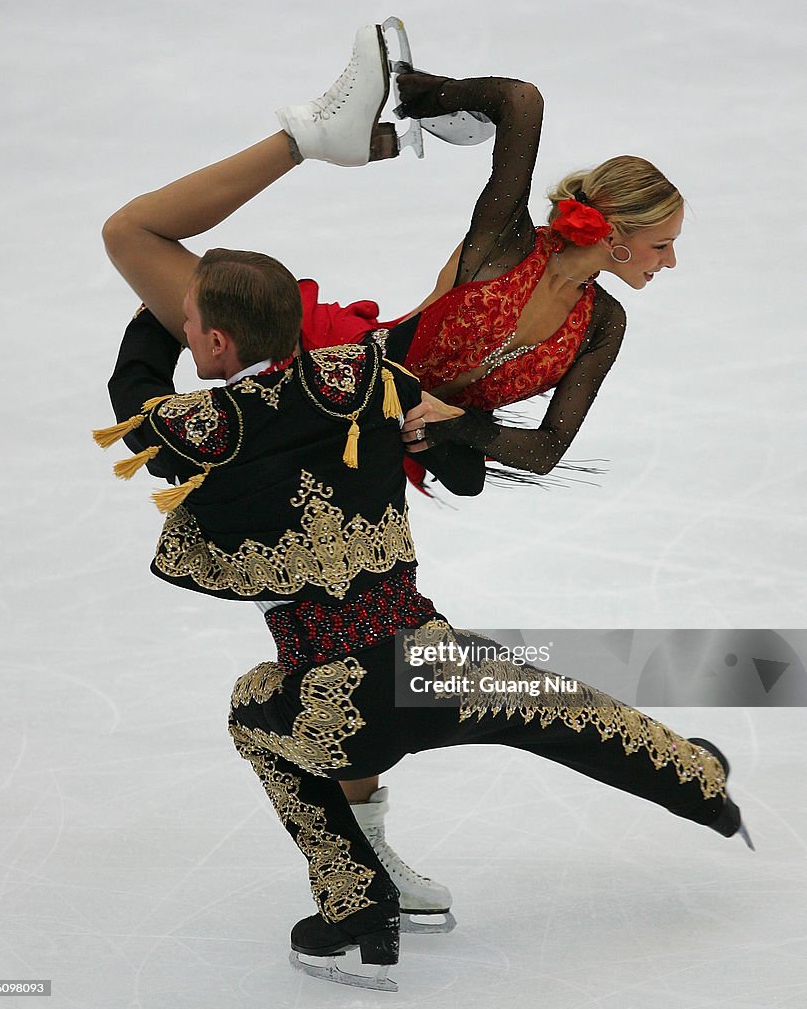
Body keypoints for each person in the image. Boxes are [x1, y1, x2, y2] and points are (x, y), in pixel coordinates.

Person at [99, 18, 685, 939]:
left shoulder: (602, 325)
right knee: (132, 235)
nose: (671, 264)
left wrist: (461, 425)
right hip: (343, 382)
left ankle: (364, 861)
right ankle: (310, 138)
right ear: (616, 237)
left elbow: (543, 454)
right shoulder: (506, 243)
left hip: (397, 441)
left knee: (343, 653)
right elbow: (520, 102)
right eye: (661, 247)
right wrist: (417, 99)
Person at [95, 250, 749, 992]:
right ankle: (700, 779)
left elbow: (135, 397)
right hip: (433, 661)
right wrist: (433, 433)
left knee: (252, 709)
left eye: (189, 322)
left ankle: (357, 906)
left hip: (336, 706)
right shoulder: (365, 378)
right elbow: (464, 475)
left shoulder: (203, 426)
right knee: (567, 708)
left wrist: (151, 318)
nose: (183, 325)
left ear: (215, 346)